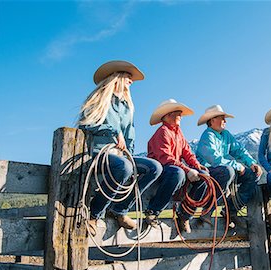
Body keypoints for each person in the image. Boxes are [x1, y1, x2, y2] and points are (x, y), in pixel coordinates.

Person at [78, 60, 162, 235]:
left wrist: (129, 153)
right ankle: (94, 213)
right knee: (124, 167)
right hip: (98, 152)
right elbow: (86, 125)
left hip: (120, 155)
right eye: (128, 77)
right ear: (117, 78)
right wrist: (114, 131)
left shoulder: (127, 107)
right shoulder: (98, 99)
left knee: (154, 168)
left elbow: (129, 136)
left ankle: (120, 209)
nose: (131, 81)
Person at [145, 99, 208, 233]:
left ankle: (185, 215)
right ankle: (153, 210)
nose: (180, 116)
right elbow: (165, 158)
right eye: (177, 113)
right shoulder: (162, 131)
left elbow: (187, 152)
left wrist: (197, 166)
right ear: (168, 115)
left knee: (204, 176)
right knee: (177, 173)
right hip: (161, 169)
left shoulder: (178, 133)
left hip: (174, 167)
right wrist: (188, 169)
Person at [196, 105, 263, 227]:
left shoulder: (226, 135)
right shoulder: (207, 136)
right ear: (212, 120)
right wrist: (237, 165)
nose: (225, 121)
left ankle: (230, 210)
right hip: (209, 172)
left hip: (226, 169)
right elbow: (214, 159)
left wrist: (251, 163)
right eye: (222, 118)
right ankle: (208, 210)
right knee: (228, 171)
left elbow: (239, 150)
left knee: (252, 175)